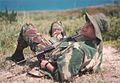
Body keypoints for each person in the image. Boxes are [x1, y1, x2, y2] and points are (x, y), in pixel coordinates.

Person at [11, 12, 109, 82]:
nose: (86, 25)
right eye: (88, 21)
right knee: (57, 24)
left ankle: (18, 55)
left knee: (27, 27)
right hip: (62, 43)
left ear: (96, 33)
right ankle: (60, 35)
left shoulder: (78, 50)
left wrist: (46, 65)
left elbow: (63, 76)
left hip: (50, 51)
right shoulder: (96, 42)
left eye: (92, 26)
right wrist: (64, 39)